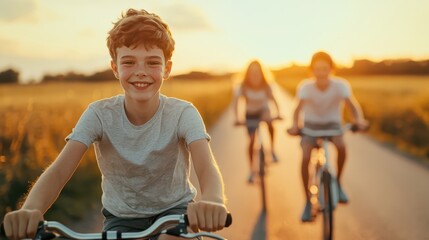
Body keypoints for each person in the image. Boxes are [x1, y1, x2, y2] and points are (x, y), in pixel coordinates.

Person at [2, 8, 229, 239]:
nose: (141, 72)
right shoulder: (99, 115)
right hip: (121, 219)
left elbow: (206, 167)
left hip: (176, 214)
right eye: (129, 62)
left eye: (152, 63)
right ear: (115, 68)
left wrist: (212, 201)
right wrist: (30, 210)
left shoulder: (183, 113)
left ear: (167, 69)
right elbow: (59, 171)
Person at [287, 51, 368, 222]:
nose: (321, 73)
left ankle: (338, 183)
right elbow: (297, 109)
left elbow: (352, 105)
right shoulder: (305, 87)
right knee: (306, 155)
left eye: (325, 69)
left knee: (341, 146)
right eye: (317, 69)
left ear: (331, 69)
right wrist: (295, 126)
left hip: (333, 125)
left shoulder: (341, 85)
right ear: (312, 70)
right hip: (310, 126)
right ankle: (308, 202)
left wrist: (358, 121)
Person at [233, 60, 282, 183]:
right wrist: (237, 118)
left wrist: (278, 113)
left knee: (269, 122)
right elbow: (236, 102)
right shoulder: (242, 86)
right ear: (248, 73)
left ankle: (272, 150)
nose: (255, 74)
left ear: (261, 73)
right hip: (250, 114)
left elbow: (273, 100)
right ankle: (251, 170)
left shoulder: (266, 85)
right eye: (252, 72)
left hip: (263, 111)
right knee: (251, 141)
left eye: (257, 72)